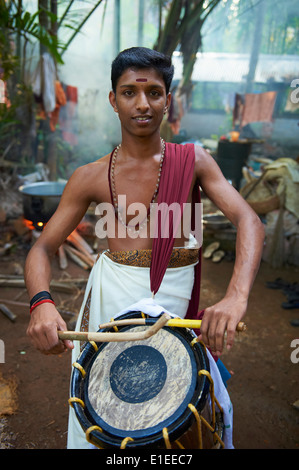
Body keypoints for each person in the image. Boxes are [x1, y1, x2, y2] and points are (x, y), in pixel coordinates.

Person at [25, 47, 265, 448]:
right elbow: (41, 247)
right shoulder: (89, 177)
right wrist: (42, 303)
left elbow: (249, 221)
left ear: (167, 100)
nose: (142, 104)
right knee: (113, 411)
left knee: (173, 416)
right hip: (111, 313)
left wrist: (236, 298)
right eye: (129, 93)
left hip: (174, 311)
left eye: (154, 92)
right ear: (113, 100)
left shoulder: (194, 161)